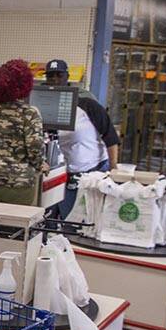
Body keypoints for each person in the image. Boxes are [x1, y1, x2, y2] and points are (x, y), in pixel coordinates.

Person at [44, 59, 121, 218]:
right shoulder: (48, 107)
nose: (55, 80)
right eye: (50, 76)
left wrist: (113, 170)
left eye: (59, 75)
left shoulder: (87, 104)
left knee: (88, 217)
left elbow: (110, 137)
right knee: (66, 216)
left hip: (94, 170)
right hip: (66, 173)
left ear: (67, 77)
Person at [0, 59, 45, 206]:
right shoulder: (29, 113)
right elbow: (34, 147)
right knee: (15, 227)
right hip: (19, 184)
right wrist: (40, 164)